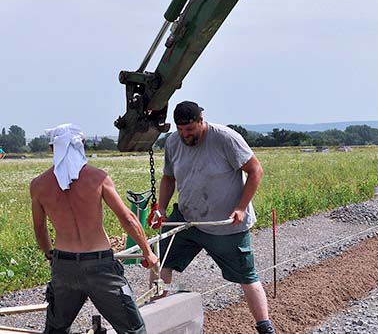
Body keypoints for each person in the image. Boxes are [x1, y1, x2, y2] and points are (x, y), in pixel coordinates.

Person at [151, 101, 276, 334]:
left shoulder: (225, 138)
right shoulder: (173, 142)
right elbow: (169, 178)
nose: (185, 135)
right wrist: (161, 208)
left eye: (190, 130)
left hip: (226, 224)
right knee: (159, 260)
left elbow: (255, 170)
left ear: (201, 120)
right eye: (181, 130)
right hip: (187, 218)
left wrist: (241, 208)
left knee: (247, 276)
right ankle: (157, 316)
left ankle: (264, 326)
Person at [30, 123, 158, 334]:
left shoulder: (39, 185)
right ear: (82, 145)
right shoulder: (98, 178)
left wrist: (49, 254)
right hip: (100, 266)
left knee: (56, 329)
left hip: (64, 266)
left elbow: (39, 228)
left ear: (53, 149)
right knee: (132, 329)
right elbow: (128, 218)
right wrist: (148, 252)